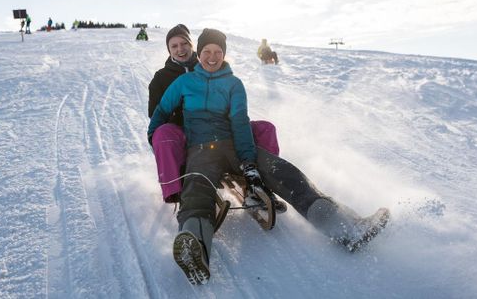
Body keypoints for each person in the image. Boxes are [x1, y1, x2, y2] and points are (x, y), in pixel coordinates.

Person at [148, 28, 389, 285]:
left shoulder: (233, 84)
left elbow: (240, 123)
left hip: (231, 144)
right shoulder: (183, 83)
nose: (211, 56)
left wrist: (249, 163)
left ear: (223, 55)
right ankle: (195, 250)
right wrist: (157, 139)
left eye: (217, 52)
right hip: (199, 149)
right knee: (196, 190)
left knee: (285, 172)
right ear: (200, 52)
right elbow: (160, 113)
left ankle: (346, 228)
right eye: (207, 51)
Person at [148, 24, 280, 203]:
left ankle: (261, 182)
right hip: (187, 133)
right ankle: (177, 191)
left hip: (223, 128)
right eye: (174, 46)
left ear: (193, 45)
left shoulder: (209, 60)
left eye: (184, 43)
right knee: (162, 133)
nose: (180, 49)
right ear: (169, 50)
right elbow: (156, 112)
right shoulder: (161, 77)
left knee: (265, 128)